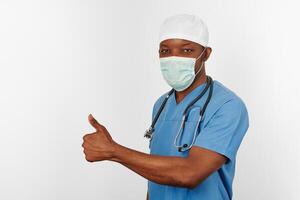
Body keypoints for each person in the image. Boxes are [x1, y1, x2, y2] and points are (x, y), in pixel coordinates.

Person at [81, 14, 249, 200]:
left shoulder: (228, 106)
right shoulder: (161, 105)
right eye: (165, 51)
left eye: (186, 51)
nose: (174, 58)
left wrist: (114, 151)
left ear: (206, 54)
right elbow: (155, 172)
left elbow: (191, 173)